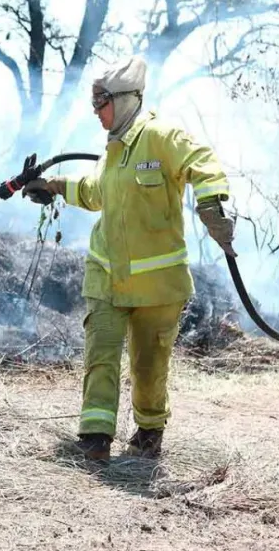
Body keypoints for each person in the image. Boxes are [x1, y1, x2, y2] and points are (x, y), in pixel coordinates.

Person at [22, 56, 236, 461]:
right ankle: (95, 437)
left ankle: (149, 431)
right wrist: (53, 185)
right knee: (100, 352)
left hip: (158, 286)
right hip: (106, 274)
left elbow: (202, 162)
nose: (95, 113)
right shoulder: (113, 150)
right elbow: (96, 192)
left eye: (100, 103)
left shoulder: (160, 136)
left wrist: (210, 203)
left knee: (148, 368)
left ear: (121, 100)